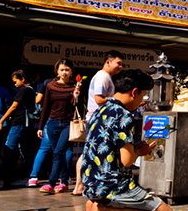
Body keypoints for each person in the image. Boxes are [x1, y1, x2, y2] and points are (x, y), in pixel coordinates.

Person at [82, 69, 174, 211]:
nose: (141, 102)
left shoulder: (99, 110)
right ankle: (106, 209)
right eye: (142, 97)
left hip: (91, 183)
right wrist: (140, 152)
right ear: (134, 92)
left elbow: (106, 147)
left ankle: (96, 202)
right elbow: (127, 161)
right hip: (114, 185)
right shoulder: (124, 115)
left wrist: (134, 147)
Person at [72, 50, 124, 196]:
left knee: (88, 152)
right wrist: (118, 100)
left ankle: (80, 186)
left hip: (97, 119)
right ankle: (79, 186)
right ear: (108, 62)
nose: (120, 67)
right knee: (87, 153)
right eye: (118, 63)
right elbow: (99, 99)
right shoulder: (102, 77)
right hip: (97, 120)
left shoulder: (105, 77)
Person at [36, 60, 82, 193]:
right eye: (62, 70)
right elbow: (45, 107)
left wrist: (77, 96)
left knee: (59, 152)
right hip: (52, 123)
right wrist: (41, 126)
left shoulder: (76, 85)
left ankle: (51, 183)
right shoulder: (50, 85)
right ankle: (64, 182)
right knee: (58, 153)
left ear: (72, 71)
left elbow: (80, 107)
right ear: (57, 70)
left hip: (69, 123)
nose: (64, 72)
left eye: (67, 70)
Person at [0, 71, 36, 188]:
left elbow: (14, 106)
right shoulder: (31, 89)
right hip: (27, 125)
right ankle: (26, 177)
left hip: (18, 123)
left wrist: (2, 120)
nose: (14, 84)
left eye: (16, 81)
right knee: (26, 152)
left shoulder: (23, 90)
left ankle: (0, 178)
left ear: (22, 79)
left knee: (10, 149)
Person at [27, 76, 57, 187]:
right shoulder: (72, 83)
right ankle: (65, 178)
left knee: (44, 149)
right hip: (65, 119)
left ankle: (33, 177)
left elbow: (38, 100)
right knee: (63, 150)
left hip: (49, 118)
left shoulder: (47, 82)